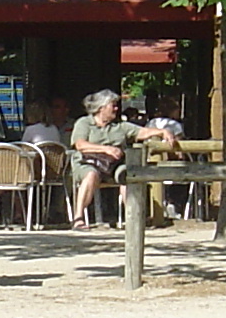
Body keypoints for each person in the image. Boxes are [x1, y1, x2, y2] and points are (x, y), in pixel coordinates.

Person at [68, 88, 177, 230]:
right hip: (87, 162)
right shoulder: (84, 123)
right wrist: (106, 149)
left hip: (113, 165)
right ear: (101, 108)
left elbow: (142, 131)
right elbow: (80, 145)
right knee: (90, 175)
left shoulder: (120, 126)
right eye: (112, 105)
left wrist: (163, 131)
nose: (116, 108)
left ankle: (134, 218)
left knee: (129, 175)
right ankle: (78, 218)